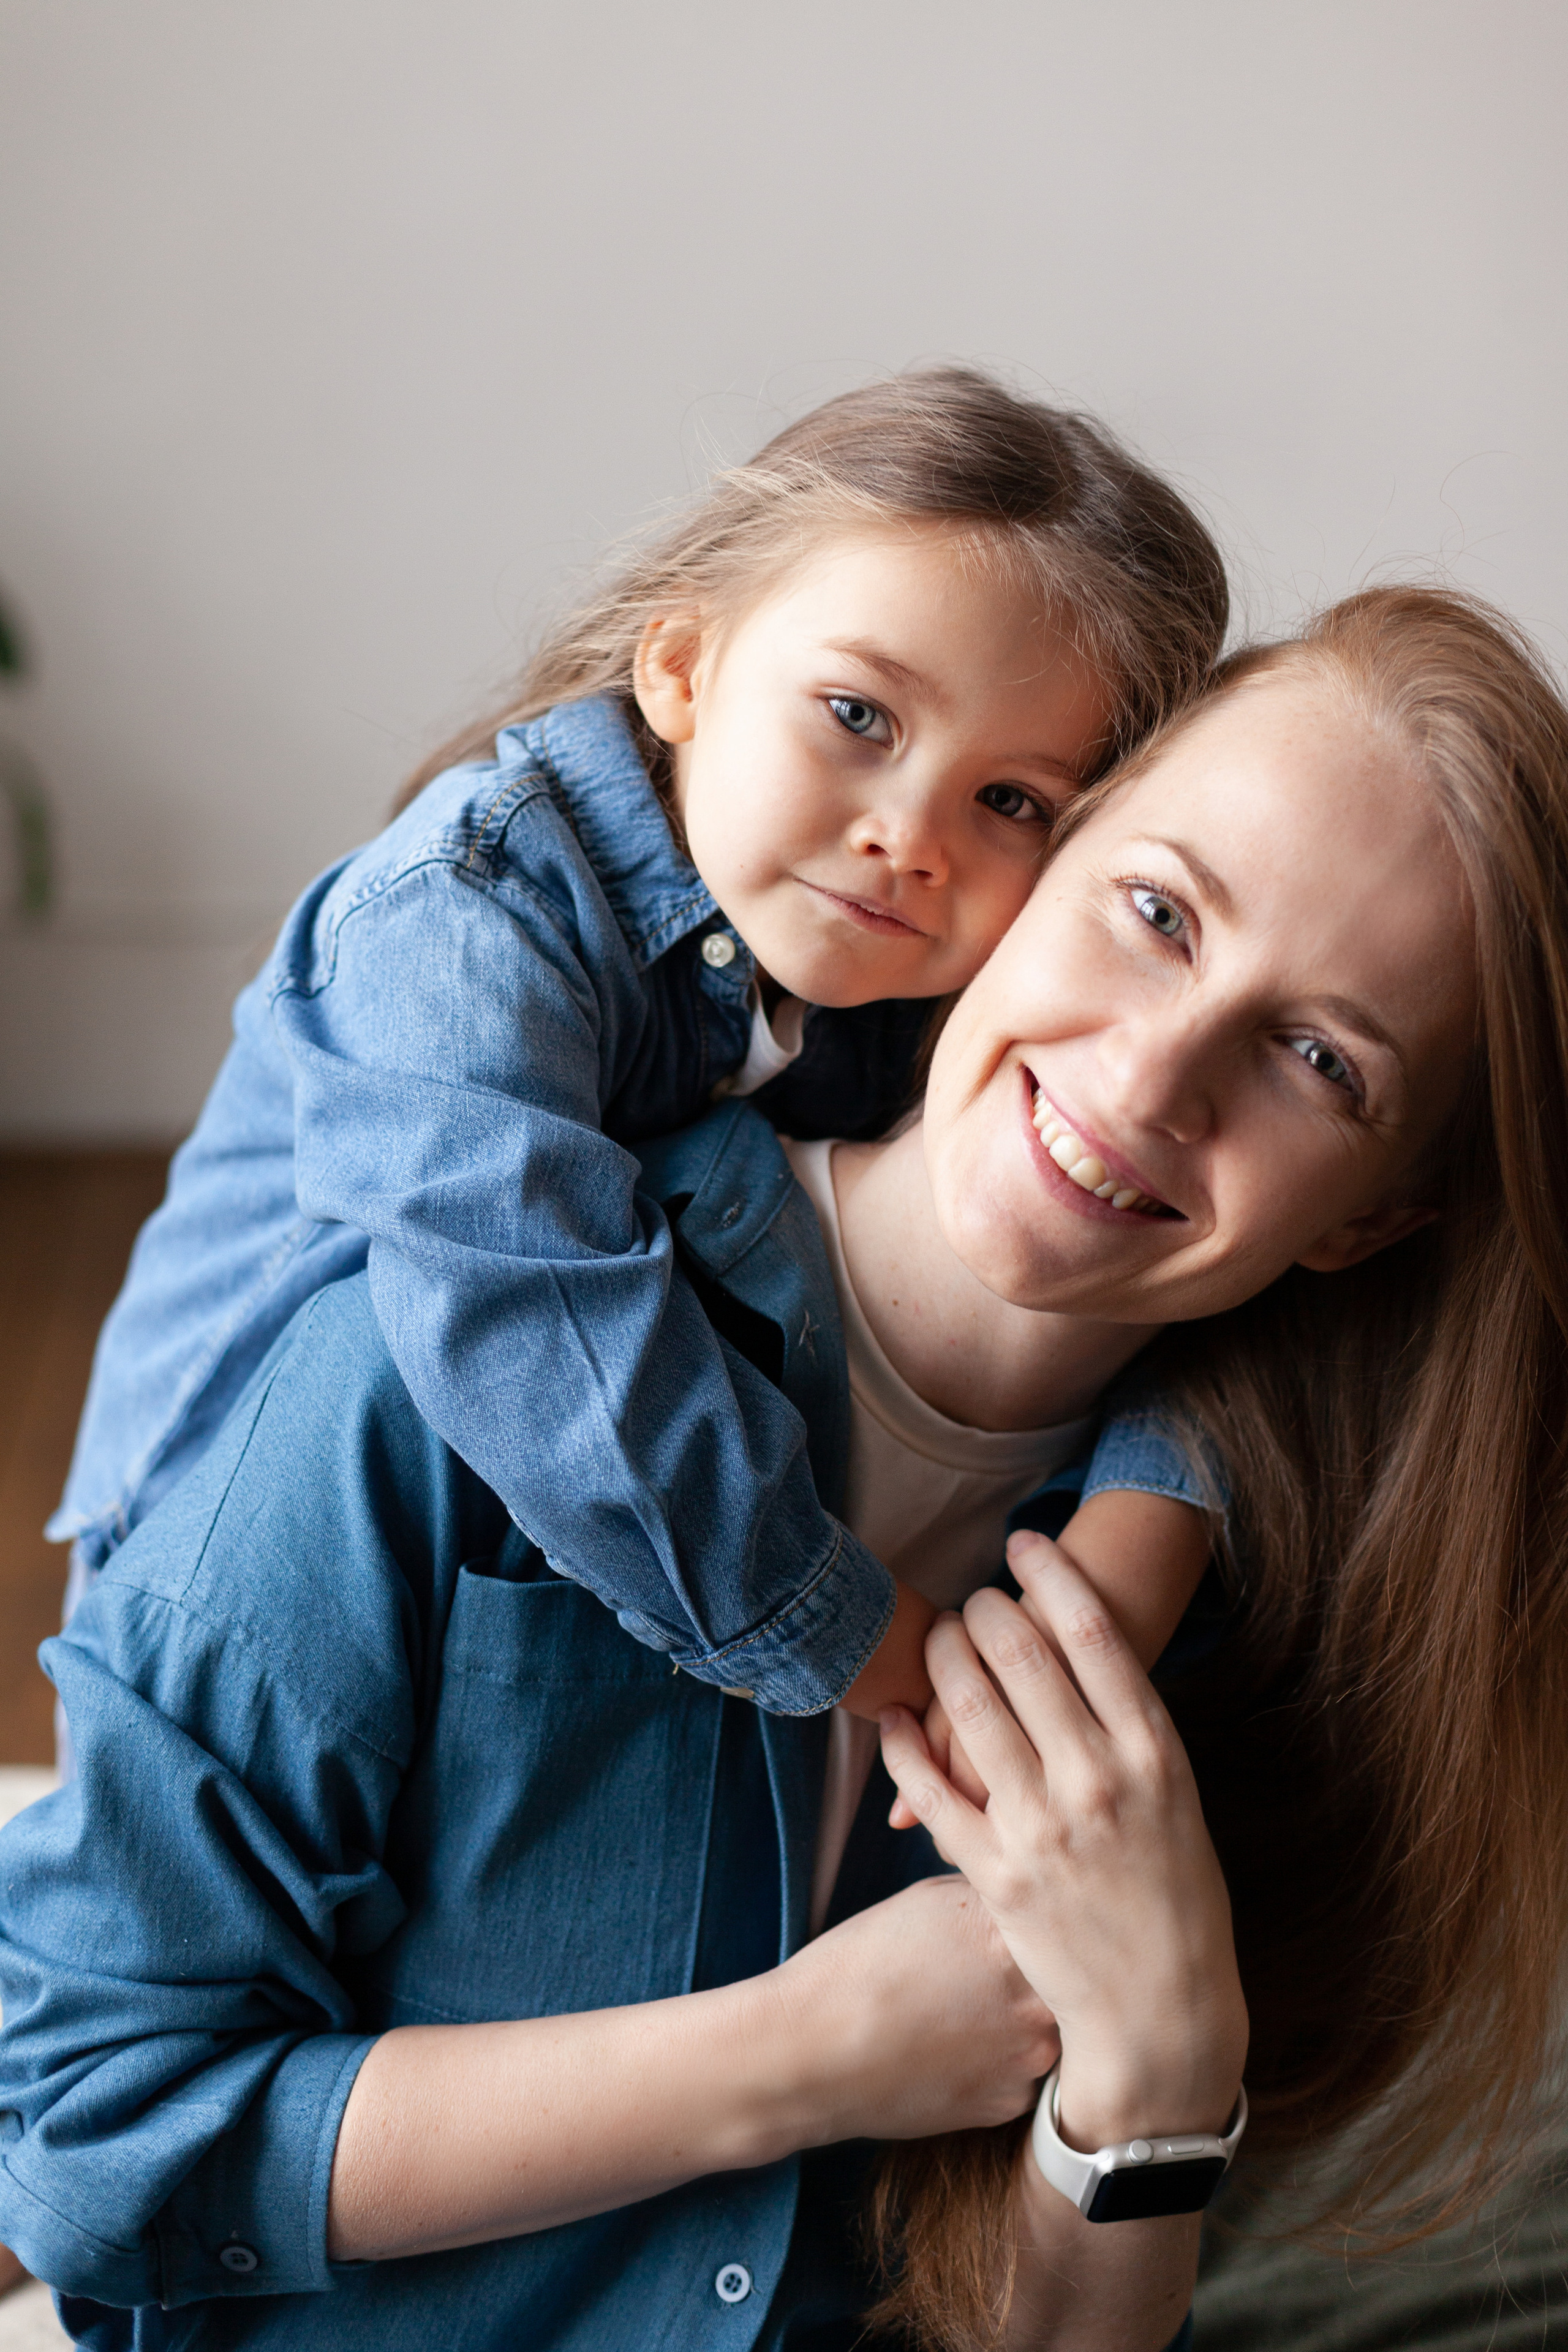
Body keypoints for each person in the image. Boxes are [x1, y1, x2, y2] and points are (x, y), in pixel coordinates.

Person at [4, 584, 1549, 2352]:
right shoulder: (447, 1362)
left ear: (1373, 1221)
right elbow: (78, 2138)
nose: (1153, 1076)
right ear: (1033, 859)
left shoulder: (1244, 1614)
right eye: (1155, 912)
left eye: (1318, 1059)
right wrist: (801, 2057)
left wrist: (1161, 2060)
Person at [43, 366, 1229, 1738]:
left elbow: (1128, 1263)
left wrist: (1153, 1505)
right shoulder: (462, 915)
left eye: (1010, 799)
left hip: (556, 1570)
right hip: (226, 1566)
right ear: (680, 667)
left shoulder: (918, 983)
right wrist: (852, 1636)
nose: (910, 839)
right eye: (858, 716)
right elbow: (537, 1328)